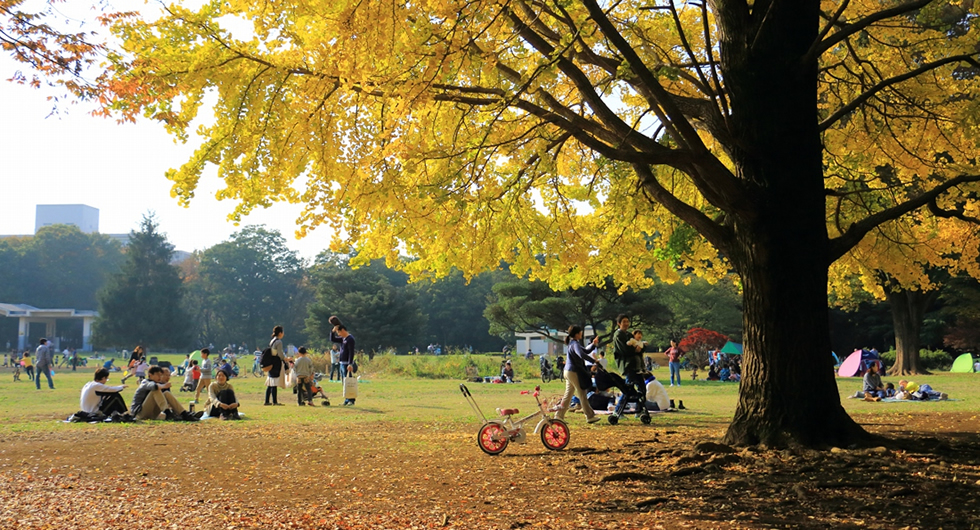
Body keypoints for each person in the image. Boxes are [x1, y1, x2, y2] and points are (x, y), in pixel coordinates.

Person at [556, 325, 601, 424]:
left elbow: (585, 351)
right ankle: (590, 416)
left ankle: (559, 416)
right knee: (582, 393)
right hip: (573, 371)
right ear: (577, 334)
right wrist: (594, 361)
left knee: (568, 395)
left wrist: (593, 344)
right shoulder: (575, 344)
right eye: (580, 332)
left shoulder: (573, 343)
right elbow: (582, 354)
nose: (581, 334)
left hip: (567, 371)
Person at [130, 366, 197, 421]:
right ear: (150, 375)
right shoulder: (145, 382)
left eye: (161, 375)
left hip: (152, 413)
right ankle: (168, 414)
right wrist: (163, 386)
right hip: (140, 413)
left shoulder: (159, 384)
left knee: (166, 393)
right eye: (157, 375)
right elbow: (153, 386)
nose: (160, 377)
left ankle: (184, 414)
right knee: (155, 390)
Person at [612, 315, 646, 412]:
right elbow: (625, 350)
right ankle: (618, 411)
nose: (626, 323)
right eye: (624, 321)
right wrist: (636, 349)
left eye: (627, 321)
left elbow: (639, 346)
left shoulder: (629, 335)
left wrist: (640, 348)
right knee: (627, 390)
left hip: (637, 367)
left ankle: (639, 411)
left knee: (642, 389)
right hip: (628, 366)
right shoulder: (618, 335)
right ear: (619, 323)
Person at [331, 323, 357, 405]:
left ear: (343, 330)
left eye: (339, 332)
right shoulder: (343, 339)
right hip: (342, 363)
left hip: (347, 364)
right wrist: (332, 332)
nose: (338, 334)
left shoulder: (350, 339)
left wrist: (350, 364)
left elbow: (351, 352)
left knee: (349, 382)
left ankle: (351, 400)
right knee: (344, 382)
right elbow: (333, 339)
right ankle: (346, 399)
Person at [265, 326, 287, 406]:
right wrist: (285, 359)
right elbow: (280, 353)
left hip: (271, 361)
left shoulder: (272, 341)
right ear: (280, 333)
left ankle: (267, 400)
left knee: (270, 382)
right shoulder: (279, 342)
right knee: (274, 382)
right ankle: (275, 401)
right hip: (276, 362)